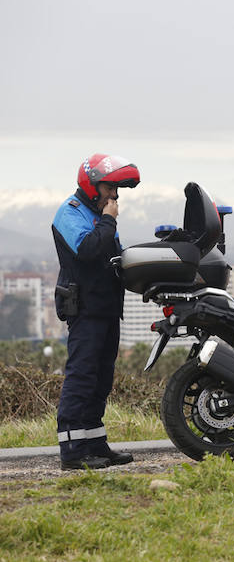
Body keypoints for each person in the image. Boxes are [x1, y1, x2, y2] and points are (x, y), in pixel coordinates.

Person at [51, 154, 140, 470]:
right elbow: (88, 251)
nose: (114, 195)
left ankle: (96, 444)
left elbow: (112, 257)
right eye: (110, 187)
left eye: (117, 189)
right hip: (85, 310)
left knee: (101, 379)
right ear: (91, 185)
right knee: (82, 377)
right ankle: (73, 451)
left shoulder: (99, 217)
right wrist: (109, 220)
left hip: (106, 310)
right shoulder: (70, 214)